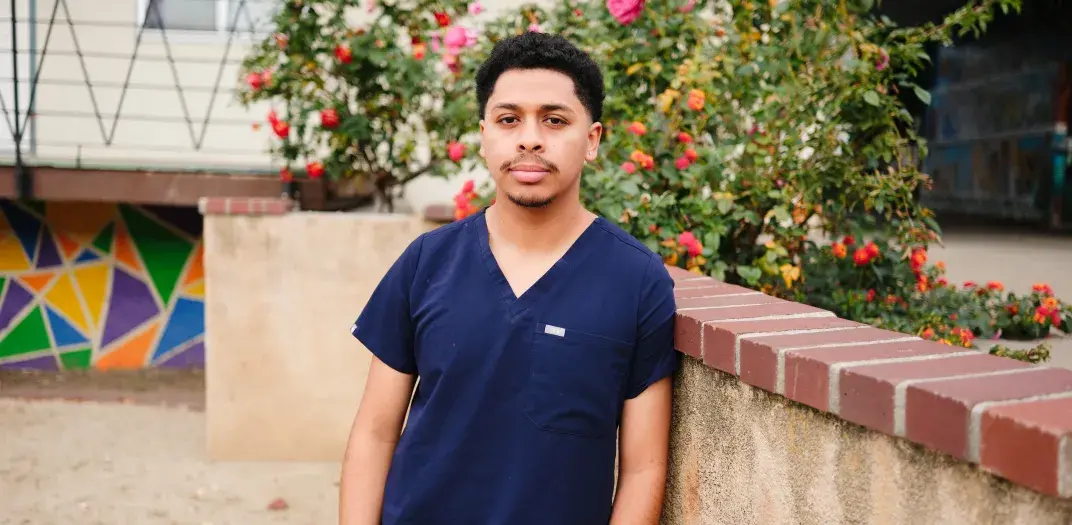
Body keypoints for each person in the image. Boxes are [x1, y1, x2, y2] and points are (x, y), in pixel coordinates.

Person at [339, 31, 679, 525]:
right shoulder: (427, 263)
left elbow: (644, 469)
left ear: (592, 140)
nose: (530, 137)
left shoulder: (637, 280)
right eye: (508, 119)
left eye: (555, 120)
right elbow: (374, 432)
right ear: (484, 136)